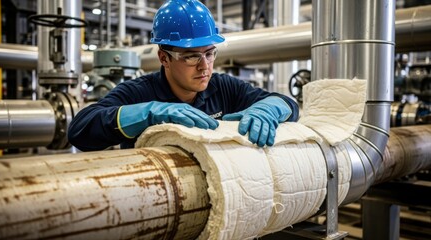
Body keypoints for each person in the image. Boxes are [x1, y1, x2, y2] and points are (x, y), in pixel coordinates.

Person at [68, 0, 299, 151]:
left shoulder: (223, 87)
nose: (204, 66)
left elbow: (289, 104)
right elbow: (79, 131)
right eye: (191, 57)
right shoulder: (139, 92)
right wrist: (149, 113)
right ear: (164, 58)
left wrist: (269, 109)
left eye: (209, 54)